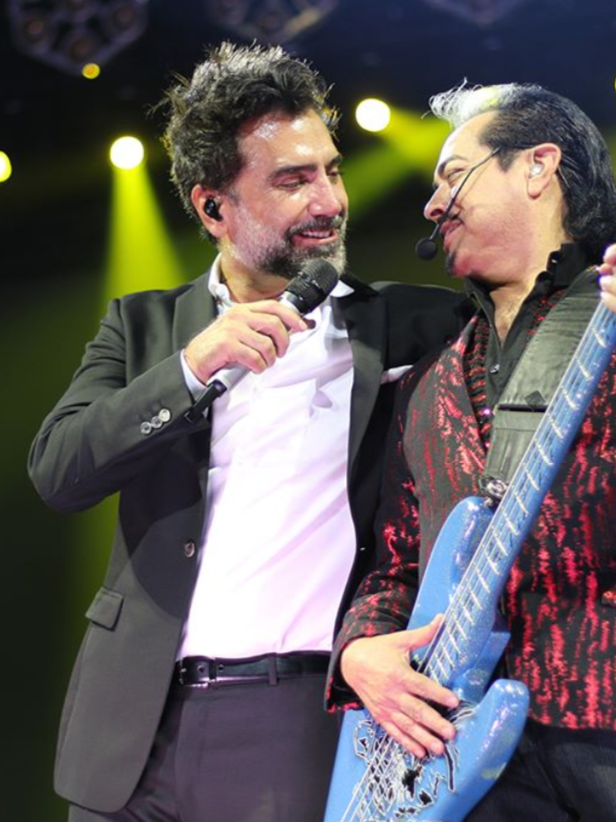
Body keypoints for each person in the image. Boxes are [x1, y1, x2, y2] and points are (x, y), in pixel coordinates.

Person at [27, 43, 469, 822]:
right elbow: (60, 472)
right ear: (212, 209)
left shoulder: (410, 324)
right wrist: (190, 370)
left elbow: (544, 304)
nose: (329, 200)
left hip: (296, 717)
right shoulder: (143, 327)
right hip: (132, 727)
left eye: (331, 170)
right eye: (293, 181)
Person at [327, 82, 616, 821]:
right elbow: (395, 565)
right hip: (455, 743)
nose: (431, 206)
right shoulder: (428, 384)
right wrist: (359, 650)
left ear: (537, 166)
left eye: (452, 175)